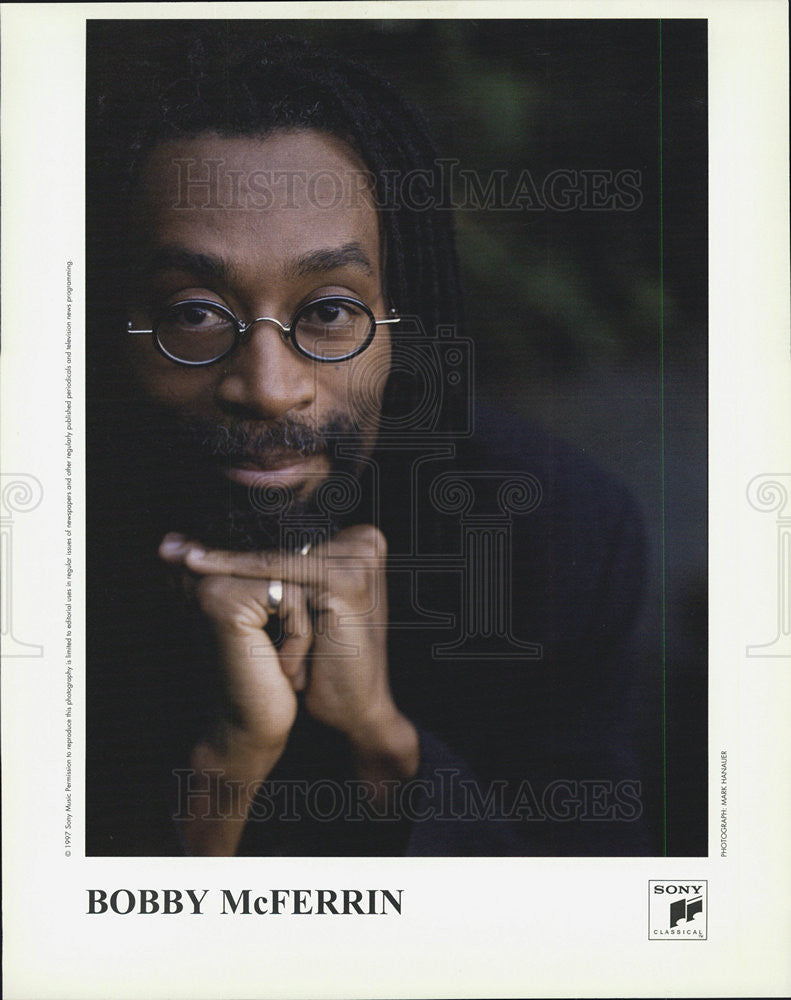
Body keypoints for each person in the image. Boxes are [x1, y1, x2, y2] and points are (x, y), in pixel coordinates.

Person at [86, 24, 662, 856]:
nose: (268, 386)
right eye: (193, 315)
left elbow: (611, 936)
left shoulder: (553, 536)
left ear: (404, 323)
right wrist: (224, 768)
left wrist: (383, 744)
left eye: (327, 312)